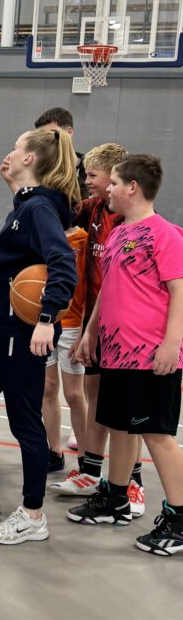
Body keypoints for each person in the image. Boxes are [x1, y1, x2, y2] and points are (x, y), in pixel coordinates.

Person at [0, 127, 78, 544]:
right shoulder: (28, 204)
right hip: (5, 327)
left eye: (16, 148)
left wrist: (47, 318)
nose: (9, 154)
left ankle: (32, 514)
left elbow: (62, 263)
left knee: (25, 421)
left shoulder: (40, 209)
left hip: (26, 334)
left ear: (30, 158)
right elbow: (18, 271)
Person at [66, 155, 183, 556]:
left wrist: (172, 343)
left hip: (150, 354)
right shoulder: (118, 233)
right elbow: (108, 289)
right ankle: (115, 499)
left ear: (133, 187)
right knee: (120, 428)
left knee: (157, 435)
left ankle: (179, 519)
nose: (108, 189)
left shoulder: (165, 234)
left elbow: (179, 291)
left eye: (114, 182)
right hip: (115, 352)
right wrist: (90, 333)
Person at [49, 143, 145, 517]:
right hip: (94, 319)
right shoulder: (91, 209)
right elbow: (56, 205)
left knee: (125, 409)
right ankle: (91, 472)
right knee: (96, 398)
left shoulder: (134, 221)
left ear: (116, 177)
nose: (86, 181)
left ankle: (133, 482)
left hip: (126, 328)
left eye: (93, 175)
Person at [42, 223, 88, 473]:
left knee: (73, 393)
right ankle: (54, 450)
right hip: (46, 322)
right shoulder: (43, 231)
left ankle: (85, 458)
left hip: (72, 324)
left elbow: (91, 285)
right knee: (48, 388)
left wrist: (83, 329)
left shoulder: (83, 239)